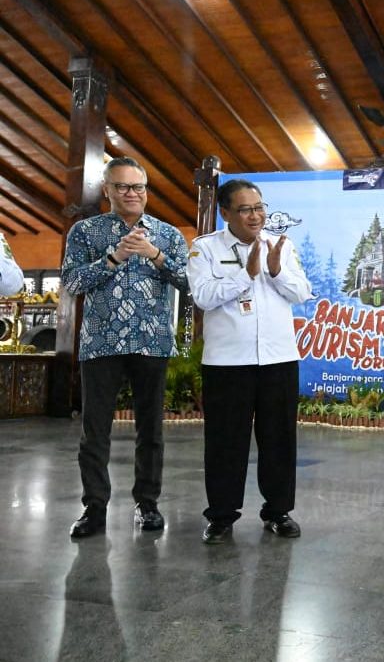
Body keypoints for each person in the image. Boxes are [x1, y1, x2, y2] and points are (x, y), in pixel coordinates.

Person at [62, 156, 189, 538]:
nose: (131, 194)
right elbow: (71, 282)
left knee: (151, 431)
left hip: (152, 341)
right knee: (94, 432)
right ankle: (94, 509)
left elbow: (189, 283)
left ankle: (147, 505)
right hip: (101, 342)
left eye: (138, 187)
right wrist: (114, 257)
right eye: (122, 187)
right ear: (107, 190)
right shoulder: (85, 233)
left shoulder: (167, 234)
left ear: (146, 191)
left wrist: (154, 254)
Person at [187, 179, 313, 544]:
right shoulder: (205, 249)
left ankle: (278, 511)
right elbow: (204, 297)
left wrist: (275, 270)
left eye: (259, 207)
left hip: (278, 358)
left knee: (279, 438)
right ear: (225, 213)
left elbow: (302, 292)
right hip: (227, 363)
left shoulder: (281, 246)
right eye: (245, 209)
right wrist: (247, 274)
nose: (256, 215)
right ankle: (221, 516)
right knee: (226, 441)